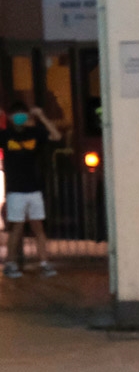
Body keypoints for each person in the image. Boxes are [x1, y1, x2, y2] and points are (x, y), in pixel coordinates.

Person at [1, 101, 61, 278]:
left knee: (38, 227)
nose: (19, 117)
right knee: (16, 228)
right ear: (10, 117)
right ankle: (10, 263)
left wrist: (41, 116)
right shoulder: (5, 135)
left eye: (23, 114)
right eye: (16, 114)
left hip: (34, 189)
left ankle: (44, 262)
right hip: (15, 190)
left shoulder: (35, 133)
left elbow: (56, 136)